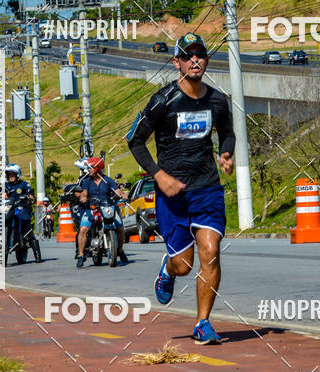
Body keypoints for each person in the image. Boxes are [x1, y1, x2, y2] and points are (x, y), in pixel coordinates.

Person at [127, 32, 235, 345]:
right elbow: (134, 139)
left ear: (207, 60)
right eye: (188, 56)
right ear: (177, 62)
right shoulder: (163, 101)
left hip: (207, 189)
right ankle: (168, 268)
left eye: (200, 55)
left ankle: (203, 323)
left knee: (211, 253)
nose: (195, 60)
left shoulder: (217, 100)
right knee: (184, 266)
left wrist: (225, 153)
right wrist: (158, 175)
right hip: (172, 194)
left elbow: (227, 134)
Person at [75, 157, 127, 267]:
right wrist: (83, 197)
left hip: (108, 207)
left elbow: (117, 189)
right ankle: (80, 254)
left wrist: (123, 195)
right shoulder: (86, 181)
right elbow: (84, 192)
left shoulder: (107, 180)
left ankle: (121, 250)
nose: (88, 170)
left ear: (98, 168)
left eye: (91, 167)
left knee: (120, 227)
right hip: (92, 208)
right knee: (83, 229)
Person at [5, 164, 41, 263]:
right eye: (9, 175)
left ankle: (37, 255)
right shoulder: (5, 185)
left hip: (21, 209)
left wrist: (29, 198)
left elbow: (31, 196)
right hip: (8, 209)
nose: (10, 177)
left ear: (17, 175)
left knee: (27, 228)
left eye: (12, 174)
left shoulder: (24, 185)